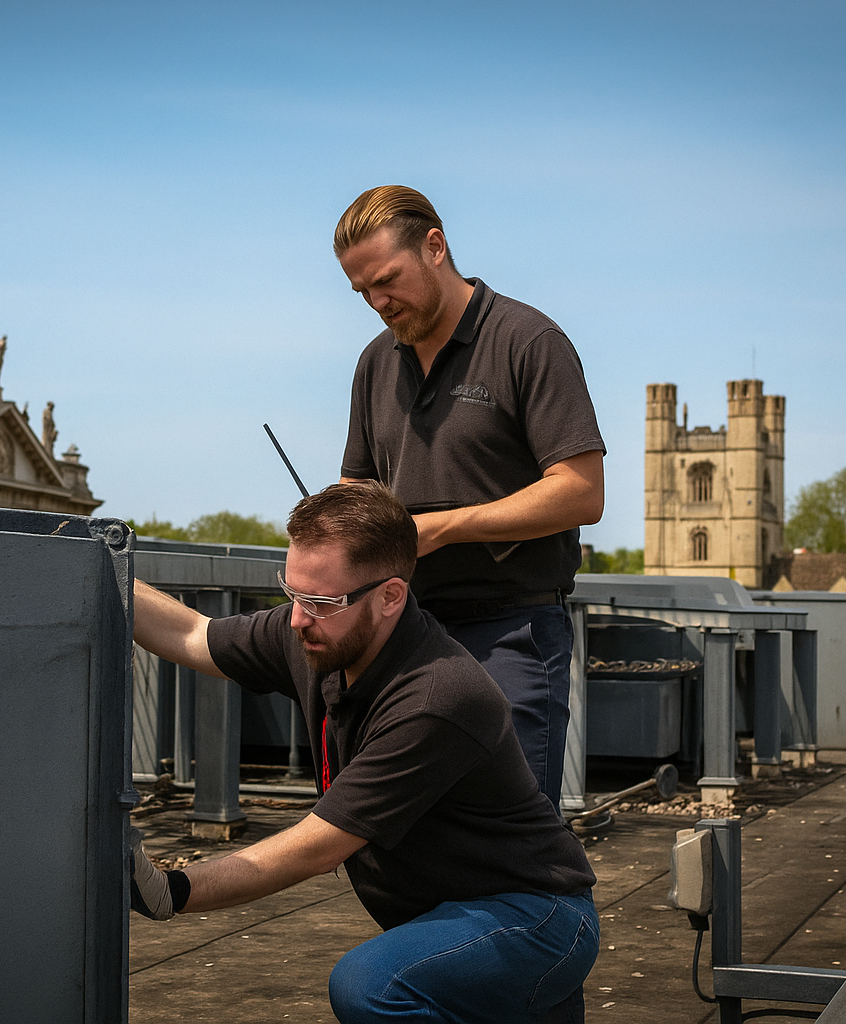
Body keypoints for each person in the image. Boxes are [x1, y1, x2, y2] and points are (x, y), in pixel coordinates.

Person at [129, 483, 598, 1024]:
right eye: (293, 593)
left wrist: (173, 890)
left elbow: (319, 846)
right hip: (449, 924)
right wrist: (102, 566)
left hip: (534, 920)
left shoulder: (436, 696)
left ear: (390, 596)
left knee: (371, 985)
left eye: (322, 602)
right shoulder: (316, 631)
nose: (299, 618)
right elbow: (193, 633)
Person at [334, 185, 606, 810]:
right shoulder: (374, 363)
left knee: (512, 828)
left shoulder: (528, 341)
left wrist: (444, 528)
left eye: (386, 280)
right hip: (402, 630)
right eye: (361, 292)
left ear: (435, 248)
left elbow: (581, 493)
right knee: (415, 827)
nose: (377, 302)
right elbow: (358, 486)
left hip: (511, 629)